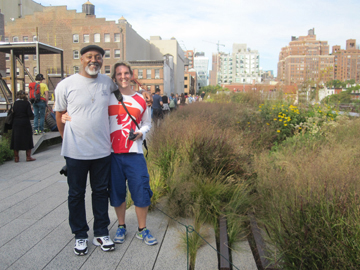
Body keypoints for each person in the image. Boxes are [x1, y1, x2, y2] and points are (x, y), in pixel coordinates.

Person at [55, 45, 116, 256]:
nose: (94, 60)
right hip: (75, 152)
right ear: (81, 59)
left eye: (98, 57)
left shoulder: (107, 83)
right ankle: (80, 234)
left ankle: (101, 232)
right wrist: (67, 140)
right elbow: (60, 115)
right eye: (90, 57)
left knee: (101, 192)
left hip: (102, 151)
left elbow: (123, 97)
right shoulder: (66, 85)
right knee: (75, 194)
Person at [109, 61, 157, 246]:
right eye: (119, 74)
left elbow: (147, 123)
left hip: (134, 152)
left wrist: (141, 132)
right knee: (116, 192)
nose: (123, 77)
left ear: (131, 75)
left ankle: (142, 229)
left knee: (141, 190)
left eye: (126, 73)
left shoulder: (142, 100)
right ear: (114, 77)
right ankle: (121, 226)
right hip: (112, 153)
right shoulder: (108, 97)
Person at [10, 90, 36, 162]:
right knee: (27, 139)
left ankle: (16, 158)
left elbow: (13, 113)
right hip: (25, 123)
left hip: (16, 123)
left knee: (16, 139)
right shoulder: (26, 103)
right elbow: (30, 114)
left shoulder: (15, 103)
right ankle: (28, 157)